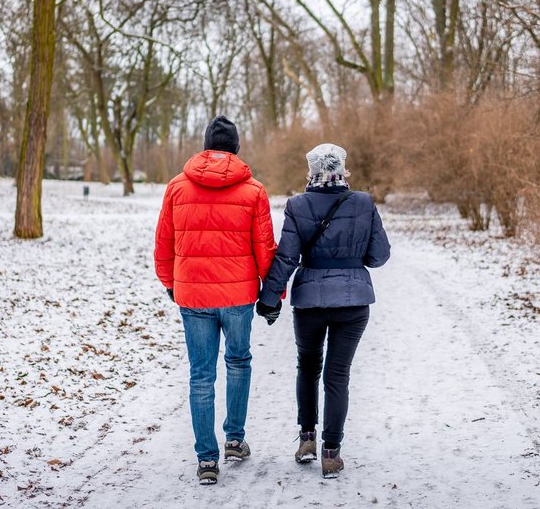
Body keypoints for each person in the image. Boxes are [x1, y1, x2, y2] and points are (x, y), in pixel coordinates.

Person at [154, 116, 278, 485]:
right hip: (238, 296)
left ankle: (207, 459)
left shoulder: (177, 187)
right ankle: (235, 440)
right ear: (236, 147)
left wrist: (171, 284)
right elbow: (265, 249)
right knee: (238, 362)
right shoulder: (254, 190)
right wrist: (272, 294)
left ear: (206, 146)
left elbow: (163, 243)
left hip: (193, 296)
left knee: (201, 375)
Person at [256, 142, 391, 479]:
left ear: (312, 170)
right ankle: (331, 453)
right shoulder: (363, 203)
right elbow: (379, 256)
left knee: (308, 367)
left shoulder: (298, 205)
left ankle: (306, 439)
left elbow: (287, 257)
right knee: (337, 375)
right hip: (353, 303)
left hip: (310, 303)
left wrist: (269, 298)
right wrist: (353, 257)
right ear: (342, 169)